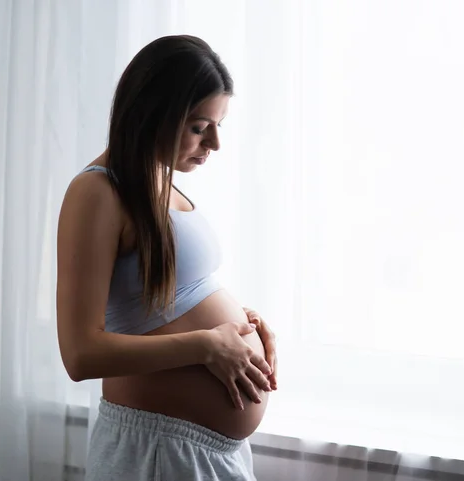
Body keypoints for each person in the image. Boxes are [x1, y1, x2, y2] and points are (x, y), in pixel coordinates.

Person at [56, 35, 278, 481]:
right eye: (199, 127)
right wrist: (206, 344)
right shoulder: (97, 193)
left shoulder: (158, 178)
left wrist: (242, 325)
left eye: (218, 125)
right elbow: (80, 354)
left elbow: (163, 296)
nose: (214, 142)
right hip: (155, 452)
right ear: (154, 113)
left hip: (201, 452)